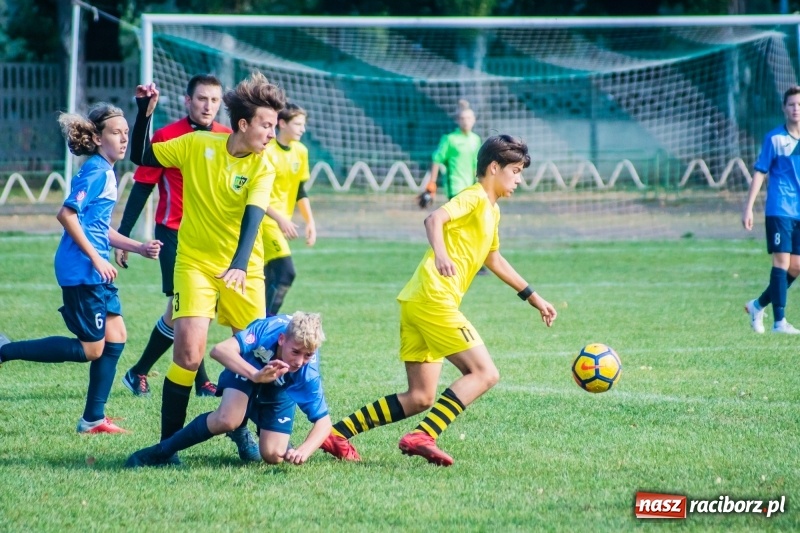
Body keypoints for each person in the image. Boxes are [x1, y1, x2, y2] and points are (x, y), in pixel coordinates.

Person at [321, 135, 557, 466]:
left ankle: (336, 434)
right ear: (494, 167)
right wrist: (441, 254)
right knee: (485, 373)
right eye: (515, 171)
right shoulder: (474, 197)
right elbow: (434, 219)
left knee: (420, 396)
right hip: (434, 299)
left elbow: (493, 258)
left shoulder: (492, 211)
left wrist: (533, 296)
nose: (519, 180)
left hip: (418, 300)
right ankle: (423, 435)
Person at [129, 71, 285, 461]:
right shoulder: (197, 144)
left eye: (275, 126)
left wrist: (238, 265)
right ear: (244, 124)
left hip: (245, 271)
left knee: (254, 356)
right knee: (188, 354)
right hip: (195, 264)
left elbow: (253, 217)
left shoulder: (264, 164)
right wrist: (144, 113)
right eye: (266, 125)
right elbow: (142, 156)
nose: (272, 134)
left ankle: (242, 430)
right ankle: (166, 447)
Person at [0, 104, 162, 433]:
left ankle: (93, 419)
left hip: (93, 269)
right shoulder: (97, 172)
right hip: (82, 270)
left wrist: (138, 247)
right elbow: (67, 214)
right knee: (91, 348)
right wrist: (98, 259)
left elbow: (97, 228)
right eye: (116, 133)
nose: (123, 139)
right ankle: (5, 350)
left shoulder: (106, 171)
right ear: (98, 138)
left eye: (126, 133)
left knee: (116, 336)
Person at [116, 74, 231, 399]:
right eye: (202, 99)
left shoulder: (227, 138)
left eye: (214, 100)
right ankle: (196, 380)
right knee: (187, 309)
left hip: (210, 238)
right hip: (173, 235)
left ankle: (144, 372)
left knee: (193, 309)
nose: (208, 106)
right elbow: (143, 186)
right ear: (187, 100)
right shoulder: (168, 136)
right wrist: (123, 236)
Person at [125, 312, 331, 467]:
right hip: (248, 365)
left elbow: (324, 423)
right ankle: (162, 451)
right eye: (295, 352)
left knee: (273, 455)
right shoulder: (267, 330)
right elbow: (220, 350)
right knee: (227, 419)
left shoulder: (307, 373)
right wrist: (256, 375)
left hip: (278, 385)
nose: (299, 361)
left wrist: (304, 450)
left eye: (308, 355)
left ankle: (244, 420)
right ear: (282, 339)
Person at [742, 85, 800, 335]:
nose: (796, 109)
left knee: (796, 266)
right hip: (780, 208)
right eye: (792, 104)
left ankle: (757, 306)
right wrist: (749, 208)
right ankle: (779, 322)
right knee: (782, 261)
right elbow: (760, 172)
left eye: (799, 104)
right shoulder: (775, 138)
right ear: (784, 108)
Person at [262, 103, 316, 315]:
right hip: (265, 220)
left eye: (304, 124)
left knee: (267, 277)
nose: (303, 129)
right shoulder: (266, 150)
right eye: (298, 124)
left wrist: (310, 222)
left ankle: (257, 325)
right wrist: (280, 219)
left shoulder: (301, 151)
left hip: (281, 222)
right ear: (282, 123)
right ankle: (267, 323)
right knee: (286, 273)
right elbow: (256, 193)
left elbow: (300, 191)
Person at [416, 99, 481, 209]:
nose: (466, 121)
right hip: (455, 187)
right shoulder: (450, 139)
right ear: (458, 120)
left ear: (474, 120)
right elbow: (436, 159)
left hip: (470, 187)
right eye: (462, 118)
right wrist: (432, 182)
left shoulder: (476, 140)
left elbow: (476, 163)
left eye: (469, 118)